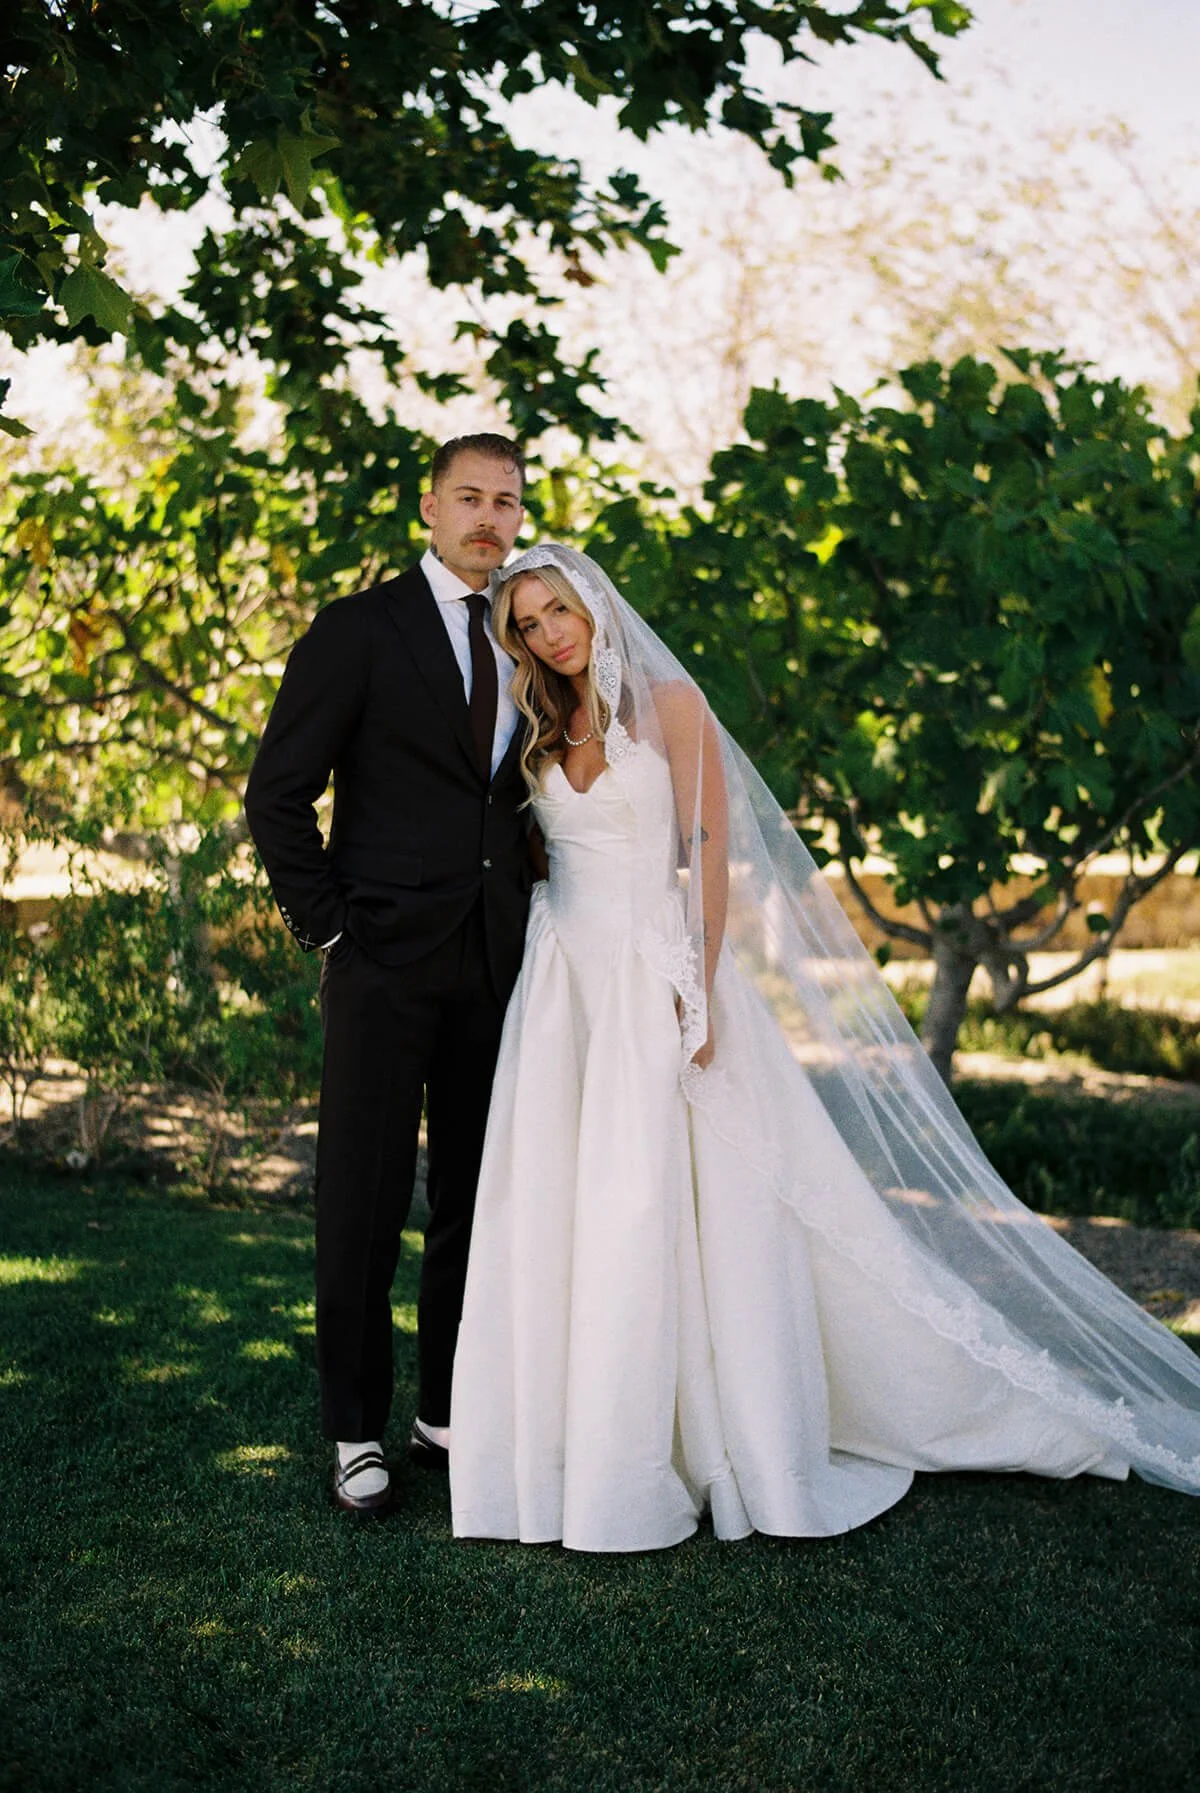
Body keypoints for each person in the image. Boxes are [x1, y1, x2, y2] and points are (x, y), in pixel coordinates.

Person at [449, 543, 1200, 1552]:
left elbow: (706, 853)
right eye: (528, 624)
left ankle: (710, 1436)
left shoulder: (671, 706)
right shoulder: (540, 724)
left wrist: (695, 990)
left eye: (558, 610)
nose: (549, 634)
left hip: (651, 972)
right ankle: (574, 1442)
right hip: (563, 991)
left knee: (663, 1203)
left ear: (592, 602)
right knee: (568, 1206)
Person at [244, 434, 532, 1514]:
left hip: (496, 960)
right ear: (430, 507)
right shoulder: (360, 628)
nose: (488, 518)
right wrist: (329, 934)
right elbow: (277, 793)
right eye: (470, 497)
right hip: (377, 960)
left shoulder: (527, 633)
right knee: (361, 1199)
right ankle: (355, 1430)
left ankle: (444, 1408)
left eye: (507, 501)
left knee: (472, 1196)